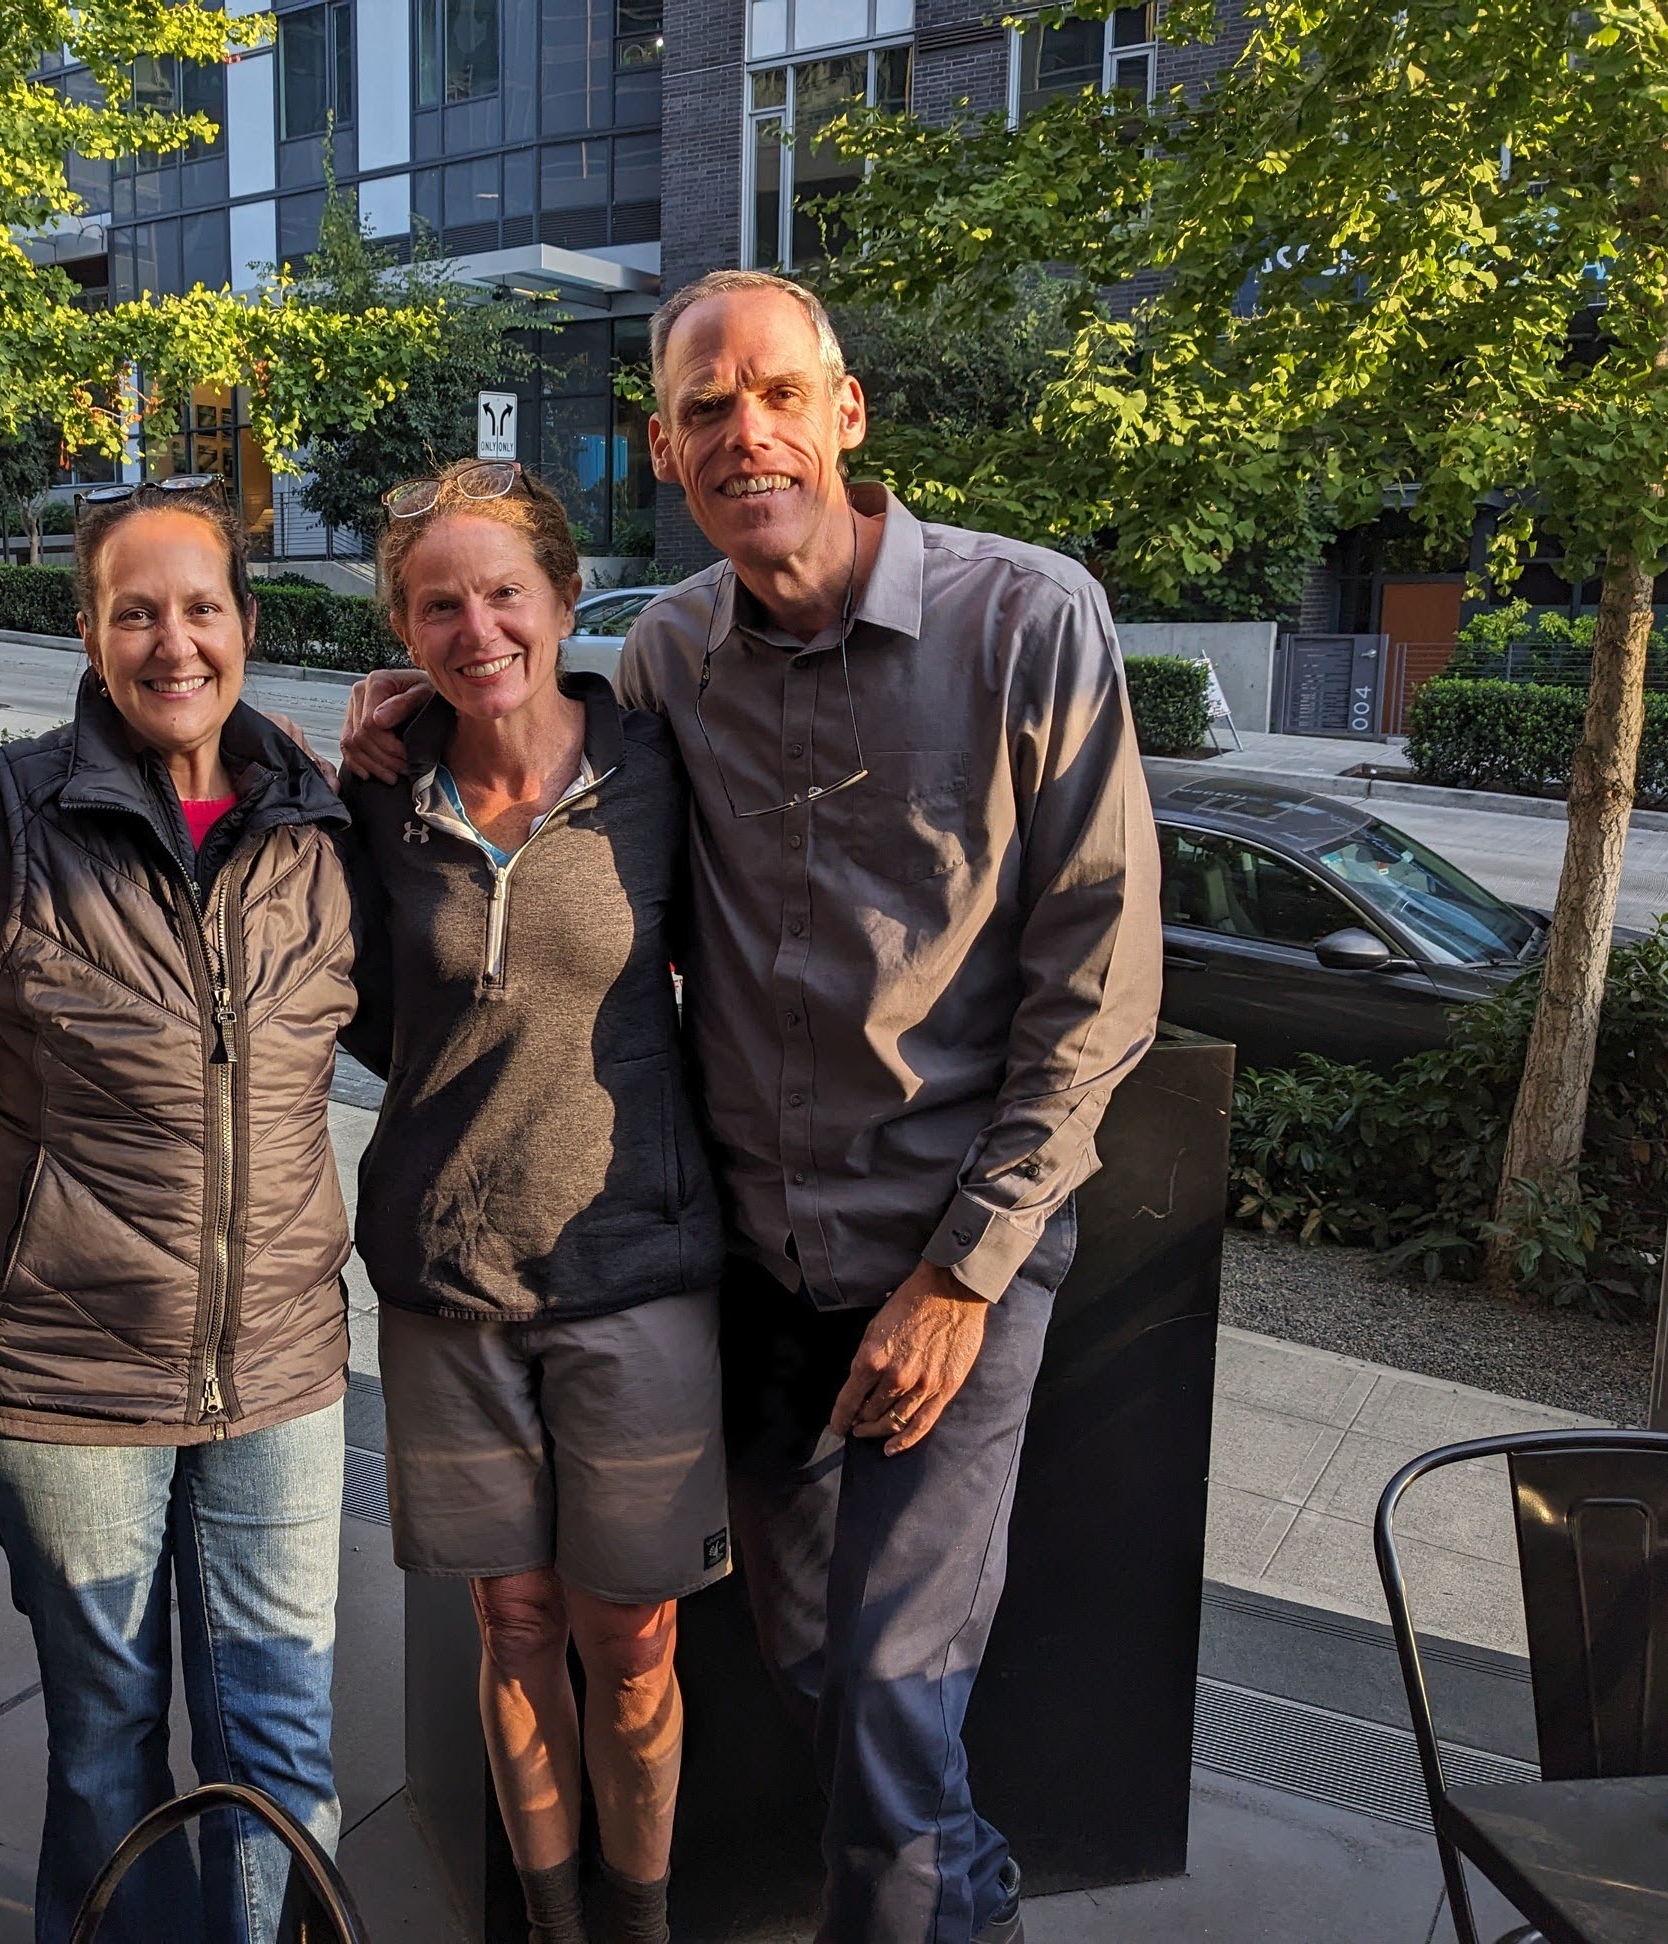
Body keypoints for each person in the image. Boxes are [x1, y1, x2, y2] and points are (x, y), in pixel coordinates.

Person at [343, 267, 1163, 1944]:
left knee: (883, 1685)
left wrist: (962, 1276)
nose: (748, 432)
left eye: (778, 392)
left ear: (845, 411)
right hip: (756, 1272)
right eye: (708, 408)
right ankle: (974, 1901)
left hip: (947, 1261)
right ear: (666, 444)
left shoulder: (1029, 621)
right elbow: (542, 765)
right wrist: (411, 724)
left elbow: (1102, 983)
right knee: (805, 1658)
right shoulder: (669, 656)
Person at [0, 479, 359, 1944]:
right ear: (89, 630)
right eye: (136, 611)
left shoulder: (319, 821)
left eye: (201, 608)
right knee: (111, 1748)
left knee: (281, 1748)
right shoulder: (8, 813)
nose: (172, 642)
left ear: (246, 625)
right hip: (62, 1373)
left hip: (285, 1370)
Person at [343, 460, 727, 1944]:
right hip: (449, 1283)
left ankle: (641, 1922)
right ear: (404, 629)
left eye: (505, 592)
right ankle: (554, 1926)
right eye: (436, 604)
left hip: (634, 1265)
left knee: (630, 1644)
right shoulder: (376, 797)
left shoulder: (658, 768)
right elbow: (370, 1012)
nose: (475, 625)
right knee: (510, 1625)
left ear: (567, 602)